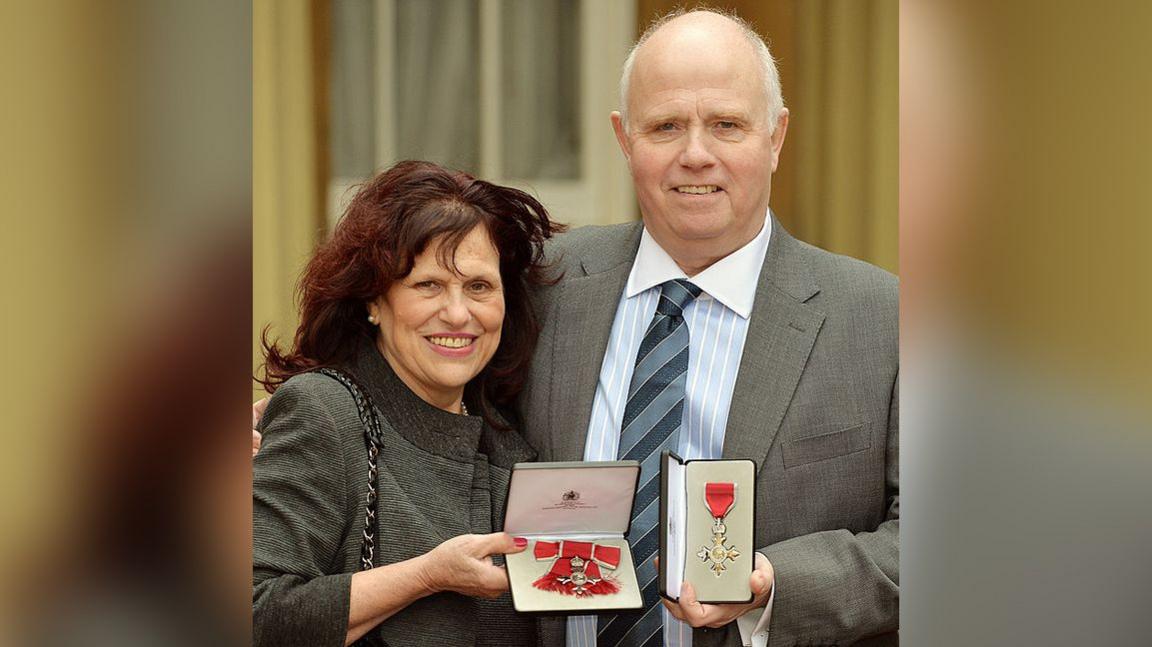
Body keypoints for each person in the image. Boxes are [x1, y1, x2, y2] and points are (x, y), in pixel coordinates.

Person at [516, 9, 898, 647]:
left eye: (726, 125)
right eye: (665, 126)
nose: (696, 154)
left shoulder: (882, 318)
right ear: (624, 138)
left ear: (775, 137)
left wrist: (779, 585)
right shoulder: (541, 289)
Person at [252, 160, 563, 646]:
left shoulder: (511, 441)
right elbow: (255, 612)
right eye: (428, 285)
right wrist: (426, 575)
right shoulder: (324, 412)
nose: (458, 313)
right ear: (374, 300)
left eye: (478, 286)